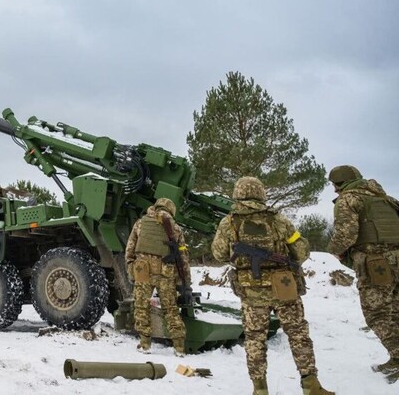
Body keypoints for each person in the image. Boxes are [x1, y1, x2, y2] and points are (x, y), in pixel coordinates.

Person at [211, 177, 333, 395]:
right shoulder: (279, 220)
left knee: (255, 338)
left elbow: (219, 254)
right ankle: (311, 385)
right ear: (261, 193)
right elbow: (301, 251)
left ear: (237, 194)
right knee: (298, 334)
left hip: (251, 291)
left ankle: (260, 389)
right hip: (284, 286)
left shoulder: (228, 223)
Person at [327, 165, 399, 383]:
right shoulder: (387, 199)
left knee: (376, 313)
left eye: (334, 186)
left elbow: (346, 235)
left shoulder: (348, 200)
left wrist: (334, 251)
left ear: (339, 184)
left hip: (376, 264)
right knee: (395, 310)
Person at [125, 197, 190, 356]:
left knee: (141, 306)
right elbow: (183, 258)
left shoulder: (140, 223)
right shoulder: (175, 228)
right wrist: (185, 281)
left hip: (143, 271)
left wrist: (130, 269)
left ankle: (145, 343)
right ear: (171, 211)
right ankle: (179, 346)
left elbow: (130, 249)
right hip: (165, 273)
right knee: (171, 309)